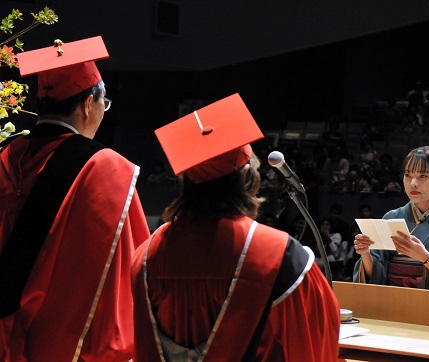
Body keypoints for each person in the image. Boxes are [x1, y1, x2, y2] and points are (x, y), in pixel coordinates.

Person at [130, 94, 340, 361]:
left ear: (186, 183)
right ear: (245, 177)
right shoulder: (281, 257)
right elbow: (314, 348)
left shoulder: (146, 256)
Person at [0, 37, 150, 360]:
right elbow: (136, 270)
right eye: (103, 103)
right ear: (87, 105)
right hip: (67, 348)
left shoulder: (5, 160)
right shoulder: (106, 169)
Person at [352, 146, 429, 292]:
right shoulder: (391, 217)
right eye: (408, 175)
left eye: (423, 176)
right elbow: (376, 272)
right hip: (392, 299)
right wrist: (366, 254)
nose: (413, 183)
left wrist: (425, 258)